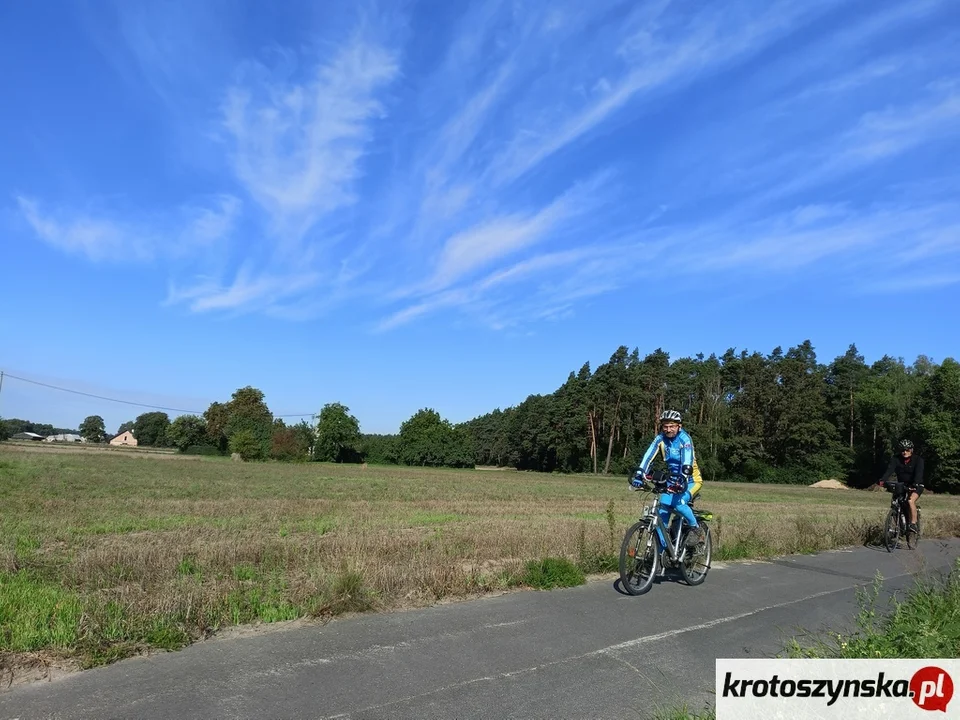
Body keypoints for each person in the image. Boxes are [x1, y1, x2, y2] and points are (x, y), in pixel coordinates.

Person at [631, 410, 704, 547]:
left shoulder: (685, 439)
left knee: (679, 503)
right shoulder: (660, 439)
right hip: (672, 479)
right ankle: (662, 552)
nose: (668, 429)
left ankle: (696, 529)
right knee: (662, 510)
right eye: (665, 426)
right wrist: (640, 473)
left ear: (679, 426)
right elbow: (648, 456)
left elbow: (687, 461)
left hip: (690, 480)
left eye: (672, 426)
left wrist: (682, 478)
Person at [878, 439, 924, 534]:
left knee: (910, 500)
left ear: (911, 450)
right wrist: (882, 480)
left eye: (907, 450)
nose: (904, 452)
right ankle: (898, 524)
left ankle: (913, 524)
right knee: (895, 503)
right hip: (902, 484)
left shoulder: (918, 460)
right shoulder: (896, 459)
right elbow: (890, 470)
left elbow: (919, 473)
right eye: (903, 450)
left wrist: (915, 483)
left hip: (916, 485)